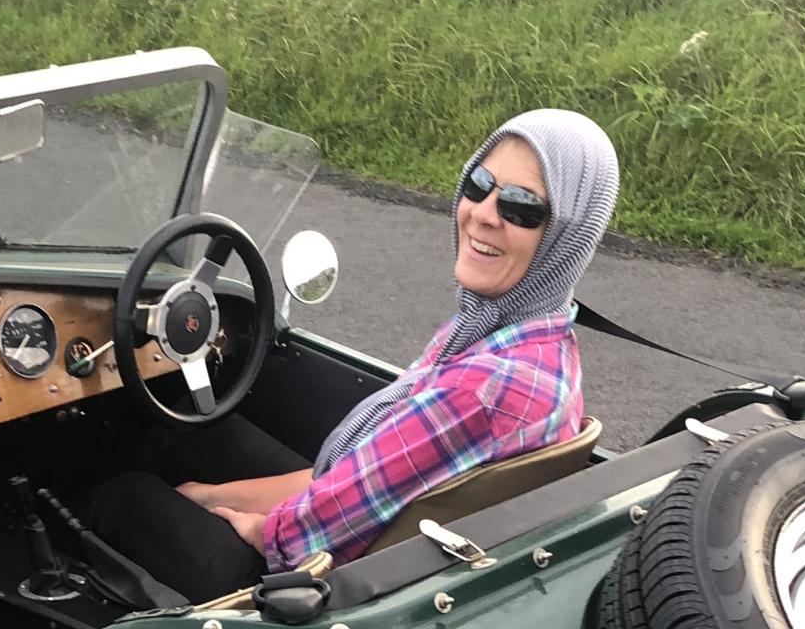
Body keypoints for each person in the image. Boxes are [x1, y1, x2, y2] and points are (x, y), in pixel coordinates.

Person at [81, 109, 622, 598]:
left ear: (568, 236)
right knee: (186, 435)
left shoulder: (483, 388)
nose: (482, 212)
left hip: (300, 588)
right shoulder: (534, 339)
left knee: (121, 495)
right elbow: (351, 482)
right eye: (480, 184)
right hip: (376, 536)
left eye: (522, 207)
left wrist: (234, 516)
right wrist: (207, 495)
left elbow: (305, 532)